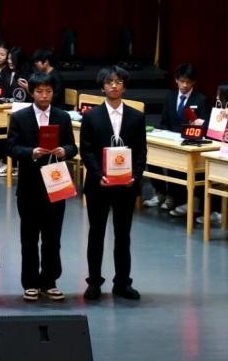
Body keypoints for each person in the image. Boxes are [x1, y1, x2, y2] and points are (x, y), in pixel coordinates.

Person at [6, 71, 77, 302]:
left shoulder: (62, 117)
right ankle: (30, 283)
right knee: (29, 237)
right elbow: (10, 147)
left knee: (52, 237)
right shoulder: (20, 117)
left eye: (48, 91)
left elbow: (72, 146)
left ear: (53, 93)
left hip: (56, 184)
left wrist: (65, 150)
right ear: (31, 92)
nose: (44, 95)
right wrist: (31, 152)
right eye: (39, 91)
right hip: (29, 185)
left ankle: (50, 281)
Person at [80, 66, 147, 301]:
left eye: (118, 82)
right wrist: (99, 174)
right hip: (99, 184)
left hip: (126, 186)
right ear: (103, 87)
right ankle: (94, 282)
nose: (114, 86)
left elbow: (141, 151)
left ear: (124, 87)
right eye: (109, 82)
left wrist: (135, 176)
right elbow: (86, 150)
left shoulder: (136, 117)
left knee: (123, 235)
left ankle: (122, 283)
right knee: (96, 234)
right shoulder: (91, 116)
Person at [148, 62, 209, 218]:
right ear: (176, 80)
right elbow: (164, 121)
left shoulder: (200, 99)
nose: (185, 85)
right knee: (151, 156)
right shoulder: (170, 97)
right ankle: (161, 192)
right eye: (182, 81)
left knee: (178, 167)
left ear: (193, 82)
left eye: (188, 82)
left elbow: (204, 126)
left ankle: (175, 198)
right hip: (170, 139)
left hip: (187, 142)